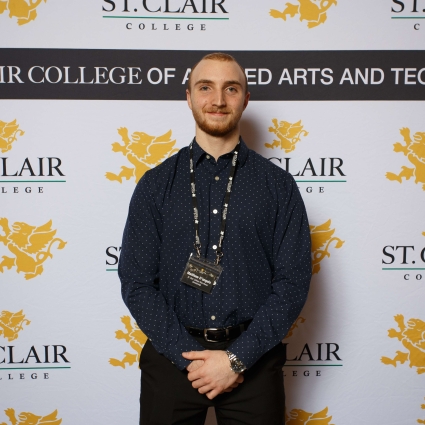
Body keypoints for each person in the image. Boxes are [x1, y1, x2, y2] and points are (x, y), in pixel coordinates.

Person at [118, 52, 312, 425]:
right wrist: (192, 360)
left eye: (231, 89)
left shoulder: (278, 186)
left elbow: (292, 282)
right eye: (205, 87)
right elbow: (136, 281)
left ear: (246, 99)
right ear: (189, 97)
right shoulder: (155, 184)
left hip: (254, 362)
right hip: (172, 358)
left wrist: (236, 360)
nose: (218, 100)